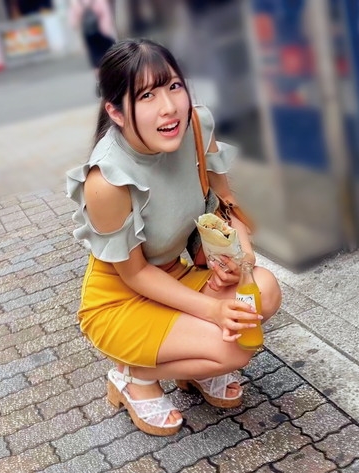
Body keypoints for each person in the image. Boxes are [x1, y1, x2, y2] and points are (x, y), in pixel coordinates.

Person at [65, 39, 282, 436]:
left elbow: (225, 207)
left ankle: (194, 369)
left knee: (263, 290)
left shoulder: (196, 126)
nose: (168, 107)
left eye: (173, 86)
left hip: (175, 275)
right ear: (115, 111)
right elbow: (134, 274)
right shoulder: (106, 180)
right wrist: (212, 310)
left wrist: (239, 262)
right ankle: (134, 377)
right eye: (146, 95)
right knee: (233, 348)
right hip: (121, 300)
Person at [68, 0, 116, 75]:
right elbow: (106, 13)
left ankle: (99, 74)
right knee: (107, 52)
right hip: (102, 32)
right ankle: (111, 71)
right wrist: (106, 29)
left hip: (87, 33)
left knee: (94, 55)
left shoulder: (76, 3)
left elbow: (73, 21)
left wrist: (78, 25)